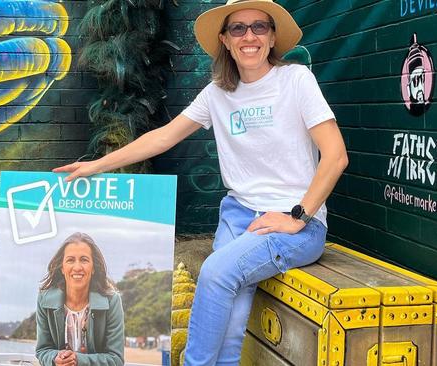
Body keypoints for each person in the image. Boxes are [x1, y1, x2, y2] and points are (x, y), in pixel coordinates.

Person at [54, 0, 348, 364]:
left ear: (272, 38)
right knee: (234, 305)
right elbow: (162, 137)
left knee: (215, 273)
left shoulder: (296, 80)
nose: (249, 36)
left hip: (295, 224)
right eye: (238, 28)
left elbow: (335, 155)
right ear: (225, 39)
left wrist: (297, 216)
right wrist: (97, 165)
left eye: (259, 27)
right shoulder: (217, 93)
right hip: (239, 215)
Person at [36, 232, 124, 366]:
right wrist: (55, 358)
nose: (77, 267)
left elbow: (116, 359)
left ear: (93, 267)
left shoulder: (112, 302)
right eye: (70, 260)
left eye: (84, 260)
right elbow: (42, 350)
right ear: (62, 268)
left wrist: (78, 360)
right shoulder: (44, 299)